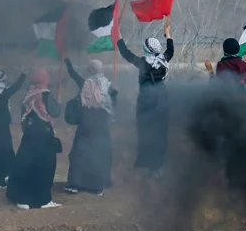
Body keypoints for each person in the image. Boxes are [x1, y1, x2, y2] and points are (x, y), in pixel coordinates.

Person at [115, 22, 174, 179]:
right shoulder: (163, 60)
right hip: (162, 98)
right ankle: (158, 165)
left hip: (146, 101)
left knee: (146, 131)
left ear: (147, 49)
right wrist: (167, 33)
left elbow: (126, 53)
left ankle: (148, 163)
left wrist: (118, 36)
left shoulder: (142, 62)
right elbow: (170, 49)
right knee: (160, 132)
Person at [6, 68, 62, 210]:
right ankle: (43, 200)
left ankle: (22, 199)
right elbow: (55, 112)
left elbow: (23, 116)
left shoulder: (28, 94)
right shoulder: (45, 94)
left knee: (26, 166)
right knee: (44, 168)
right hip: (44, 137)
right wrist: (59, 101)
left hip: (30, 136)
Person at [63, 58, 117, 195]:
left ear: (90, 70)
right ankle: (97, 186)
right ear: (102, 69)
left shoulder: (85, 83)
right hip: (102, 123)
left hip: (86, 121)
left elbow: (73, 75)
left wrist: (68, 63)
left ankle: (75, 184)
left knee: (80, 152)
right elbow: (113, 104)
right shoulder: (109, 85)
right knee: (99, 153)